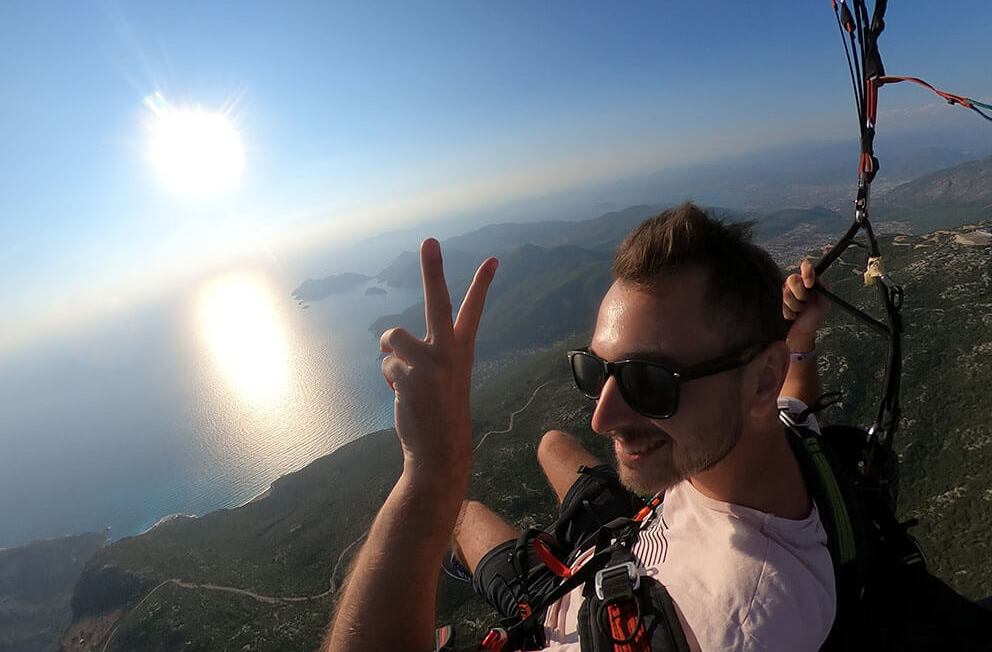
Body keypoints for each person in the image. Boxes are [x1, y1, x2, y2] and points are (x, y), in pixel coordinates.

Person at [323, 202, 835, 652]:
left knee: (457, 515)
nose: (602, 416)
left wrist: (431, 472)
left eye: (650, 382)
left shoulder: (725, 627)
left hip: (583, 617)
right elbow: (791, 404)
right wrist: (802, 339)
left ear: (760, 378)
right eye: (595, 371)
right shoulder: (767, 442)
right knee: (553, 443)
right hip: (630, 538)